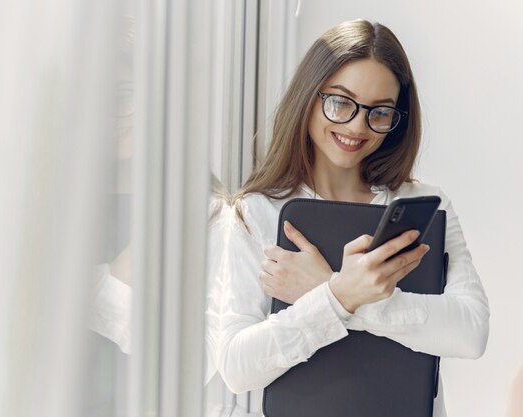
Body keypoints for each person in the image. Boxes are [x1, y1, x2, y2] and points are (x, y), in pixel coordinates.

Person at [206, 19, 490, 417]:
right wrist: (338, 298)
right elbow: (236, 367)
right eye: (340, 101)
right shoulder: (253, 213)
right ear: (308, 97)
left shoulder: (425, 202)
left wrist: (333, 289)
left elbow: (470, 332)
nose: (358, 126)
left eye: (380, 112)